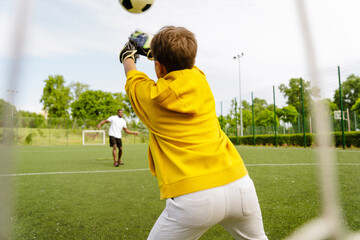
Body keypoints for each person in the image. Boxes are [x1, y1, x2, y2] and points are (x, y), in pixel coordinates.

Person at [119, 26, 268, 240]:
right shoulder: (200, 80)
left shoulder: (151, 98)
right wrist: (157, 52)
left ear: (158, 67)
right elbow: (182, 64)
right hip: (239, 184)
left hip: (194, 196)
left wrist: (128, 57)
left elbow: (132, 77)